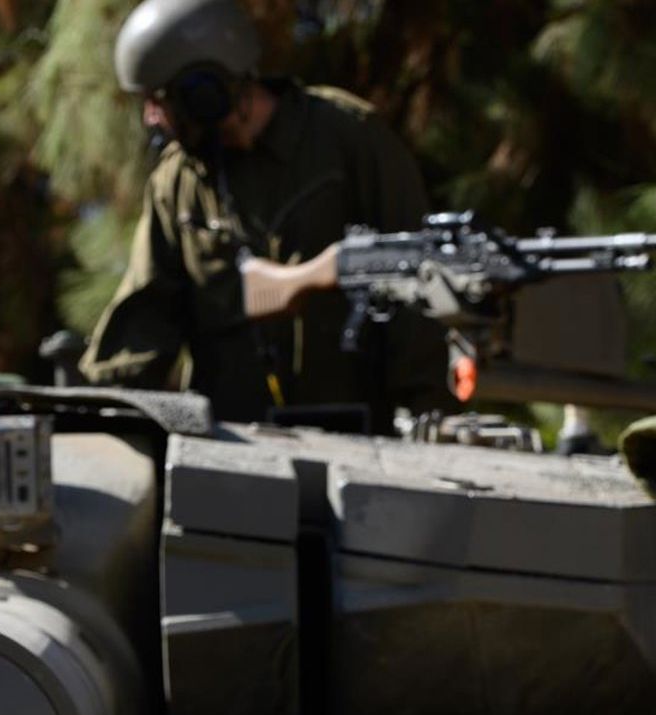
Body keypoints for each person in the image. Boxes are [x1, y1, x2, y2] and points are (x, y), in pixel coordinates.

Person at [80, 0, 447, 427]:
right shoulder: (177, 185)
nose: (150, 118)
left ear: (205, 91)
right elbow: (145, 318)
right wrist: (100, 411)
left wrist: (427, 418)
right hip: (231, 449)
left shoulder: (346, 138)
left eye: (158, 101)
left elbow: (420, 286)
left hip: (365, 439)